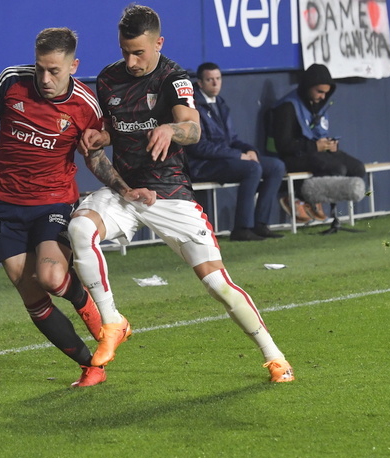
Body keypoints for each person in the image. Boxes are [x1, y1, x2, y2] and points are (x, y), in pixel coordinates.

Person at [70, 4, 294, 382]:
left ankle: (274, 357)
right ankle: (113, 323)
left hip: (170, 194)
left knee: (217, 283)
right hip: (128, 191)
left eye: (139, 51)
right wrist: (101, 135)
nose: (132, 60)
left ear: (159, 43)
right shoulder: (109, 78)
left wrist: (172, 130)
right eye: (125, 51)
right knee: (79, 229)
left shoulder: (174, 78)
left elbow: (193, 128)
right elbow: (114, 125)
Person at [0, 28, 107, 387]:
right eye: (40, 69)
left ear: (73, 66)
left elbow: (95, 156)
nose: (45, 79)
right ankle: (90, 365)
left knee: (49, 276)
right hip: (5, 202)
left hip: (55, 200)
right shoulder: (11, 81)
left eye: (54, 71)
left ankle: (99, 318)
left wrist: (124, 188)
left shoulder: (85, 104)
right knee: (29, 290)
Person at [186, 62, 286, 241]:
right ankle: (242, 228)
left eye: (218, 79)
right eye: (210, 80)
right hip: (202, 165)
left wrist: (249, 150)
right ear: (200, 83)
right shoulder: (193, 107)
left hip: (226, 159)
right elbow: (199, 147)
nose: (216, 84)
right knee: (252, 168)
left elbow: (231, 139)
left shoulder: (220, 103)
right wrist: (238, 155)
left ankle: (261, 224)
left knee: (276, 166)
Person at [270, 63, 366, 223]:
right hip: (293, 157)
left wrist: (330, 145)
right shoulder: (287, 107)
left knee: (357, 168)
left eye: (325, 93)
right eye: (319, 92)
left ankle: (317, 200)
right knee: (336, 168)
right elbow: (284, 146)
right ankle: (300, 198)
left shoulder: (318, 105)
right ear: (308, 86)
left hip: (315, 152)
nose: (323, 96)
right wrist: (314, 146)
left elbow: (319, 133)